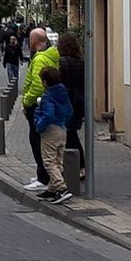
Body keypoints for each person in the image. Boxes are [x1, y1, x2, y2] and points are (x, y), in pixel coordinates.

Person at [21, 28, 59, 192]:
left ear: (34, 41)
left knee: (37, 140)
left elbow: (36, 85)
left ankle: (43, 178)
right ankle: (42, 174)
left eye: (30, 39)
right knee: (43, 140)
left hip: (37, 105)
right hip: (48, 102)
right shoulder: (51, 56)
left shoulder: (39, 59)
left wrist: (26, 101)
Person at [34, 66, 74, 204]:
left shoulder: (47, 96)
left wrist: (39, 125)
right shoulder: (63, 92)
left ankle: (61, 188)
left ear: (44, 82)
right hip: (62, 129)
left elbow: (48, 114)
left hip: (50, 130)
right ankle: (52, 189)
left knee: (49, 161)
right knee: (58, 160)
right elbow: (69, 111)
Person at [57, 34, 87, 177]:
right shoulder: (82, 62)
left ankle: (78, 165)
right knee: (71, 133)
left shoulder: (62, 62)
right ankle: (78, 166)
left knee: (69, 135)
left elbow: (60, 83)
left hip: (67, 102)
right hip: (79, 102)